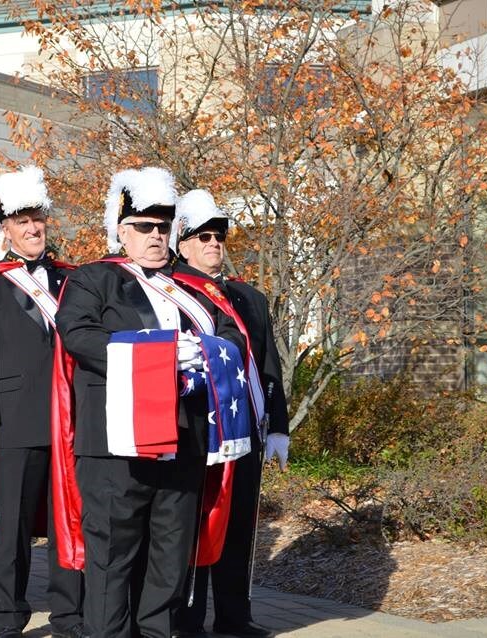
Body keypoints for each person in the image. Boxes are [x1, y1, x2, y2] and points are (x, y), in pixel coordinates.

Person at [53, 168, 246, 637]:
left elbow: (227, 334)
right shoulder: (93, 280)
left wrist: (203, 350)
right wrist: (154, 354)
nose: (156, 236)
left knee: (170, 556)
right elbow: (77, 334)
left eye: (164, 226)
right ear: (122, 231)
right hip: (116, 446)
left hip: (182, 439)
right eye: (144, 226)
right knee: (112, 560)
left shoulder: (193, 288)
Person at [0, 166, 84, 637]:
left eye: (38, 220)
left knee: (67, 523)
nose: (33, 230)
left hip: (69, 422)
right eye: (22, 222)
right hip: (14, 421)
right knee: (12, 530)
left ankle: (70, 614)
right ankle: (9, 617)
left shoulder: (71, 279)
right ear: (6, 229)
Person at [172, 190, 290, 638]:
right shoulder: (172, 290)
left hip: (244, 429)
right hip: (198, 432)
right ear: (182, 243)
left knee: (239, 526)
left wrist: (277, 426)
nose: (214, 244)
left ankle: (234, 617)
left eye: (219, 236)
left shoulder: (249, 298)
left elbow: (268, 367)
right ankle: (187, 619)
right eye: (203, 236)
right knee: (197, 524)